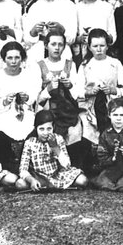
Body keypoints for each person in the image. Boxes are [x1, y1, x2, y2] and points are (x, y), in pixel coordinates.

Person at [0, 41, 41, 170]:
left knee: (31, 127)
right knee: (0, 129)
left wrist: (27, 98)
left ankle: (27, 163)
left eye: (17, 57)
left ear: (22, 58)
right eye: (10, 58)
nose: (14, 61)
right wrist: (5, 101)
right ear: (4, 59)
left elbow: (33, 97)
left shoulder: (28, 75)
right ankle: (5, 164)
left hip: (23, 112)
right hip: (3, 112)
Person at [35, 26, 86, 166]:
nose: (57, 48)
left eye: (60, 44)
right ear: (46, 45)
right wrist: (48, 89)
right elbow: (36, 96)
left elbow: (78, 93)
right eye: (53, 44)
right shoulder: (39, 65)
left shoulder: (70, 65)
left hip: (67, 107)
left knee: (75, 129)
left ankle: (73, 164)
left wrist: (70, 86)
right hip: (47, 107)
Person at [76, 28, 123, 145]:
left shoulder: (115, 63)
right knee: (85, 128)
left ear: (107, 46)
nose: (99, 49)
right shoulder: (85, 65)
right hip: (91, 106)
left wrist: (113, 90)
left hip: (111, 104)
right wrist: (89, 91)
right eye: (95, 46)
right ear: (90, 47)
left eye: (102, 45)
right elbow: (77, 90)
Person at [18, 109, 87, 191]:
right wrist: (32, 180)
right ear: (35, 128)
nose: (45, 133)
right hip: (38, 176)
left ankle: (51, 185)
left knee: (83, 180)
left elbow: (67, 165)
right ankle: (40, 185)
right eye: (41, 129)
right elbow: (23, 169)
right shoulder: (29, 143)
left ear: (53, 127)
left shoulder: (58, 139)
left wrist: (55, 147)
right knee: (20, 184)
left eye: (49, 129)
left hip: (57, 174)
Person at [23, 0, 77, 65]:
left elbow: (72, 38)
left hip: (62, 53)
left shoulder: (68, 5)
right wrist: (34, 31)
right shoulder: (34, 7)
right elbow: (27, 39)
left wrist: (61, 30)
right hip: (38, 54)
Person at [74, 0, 117, 64]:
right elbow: (71, 36)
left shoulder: (106, 7)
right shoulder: (75, 8)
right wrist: (79, 39)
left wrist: (104, 38)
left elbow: (113, 35)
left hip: (105, 53)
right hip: (83, 54)